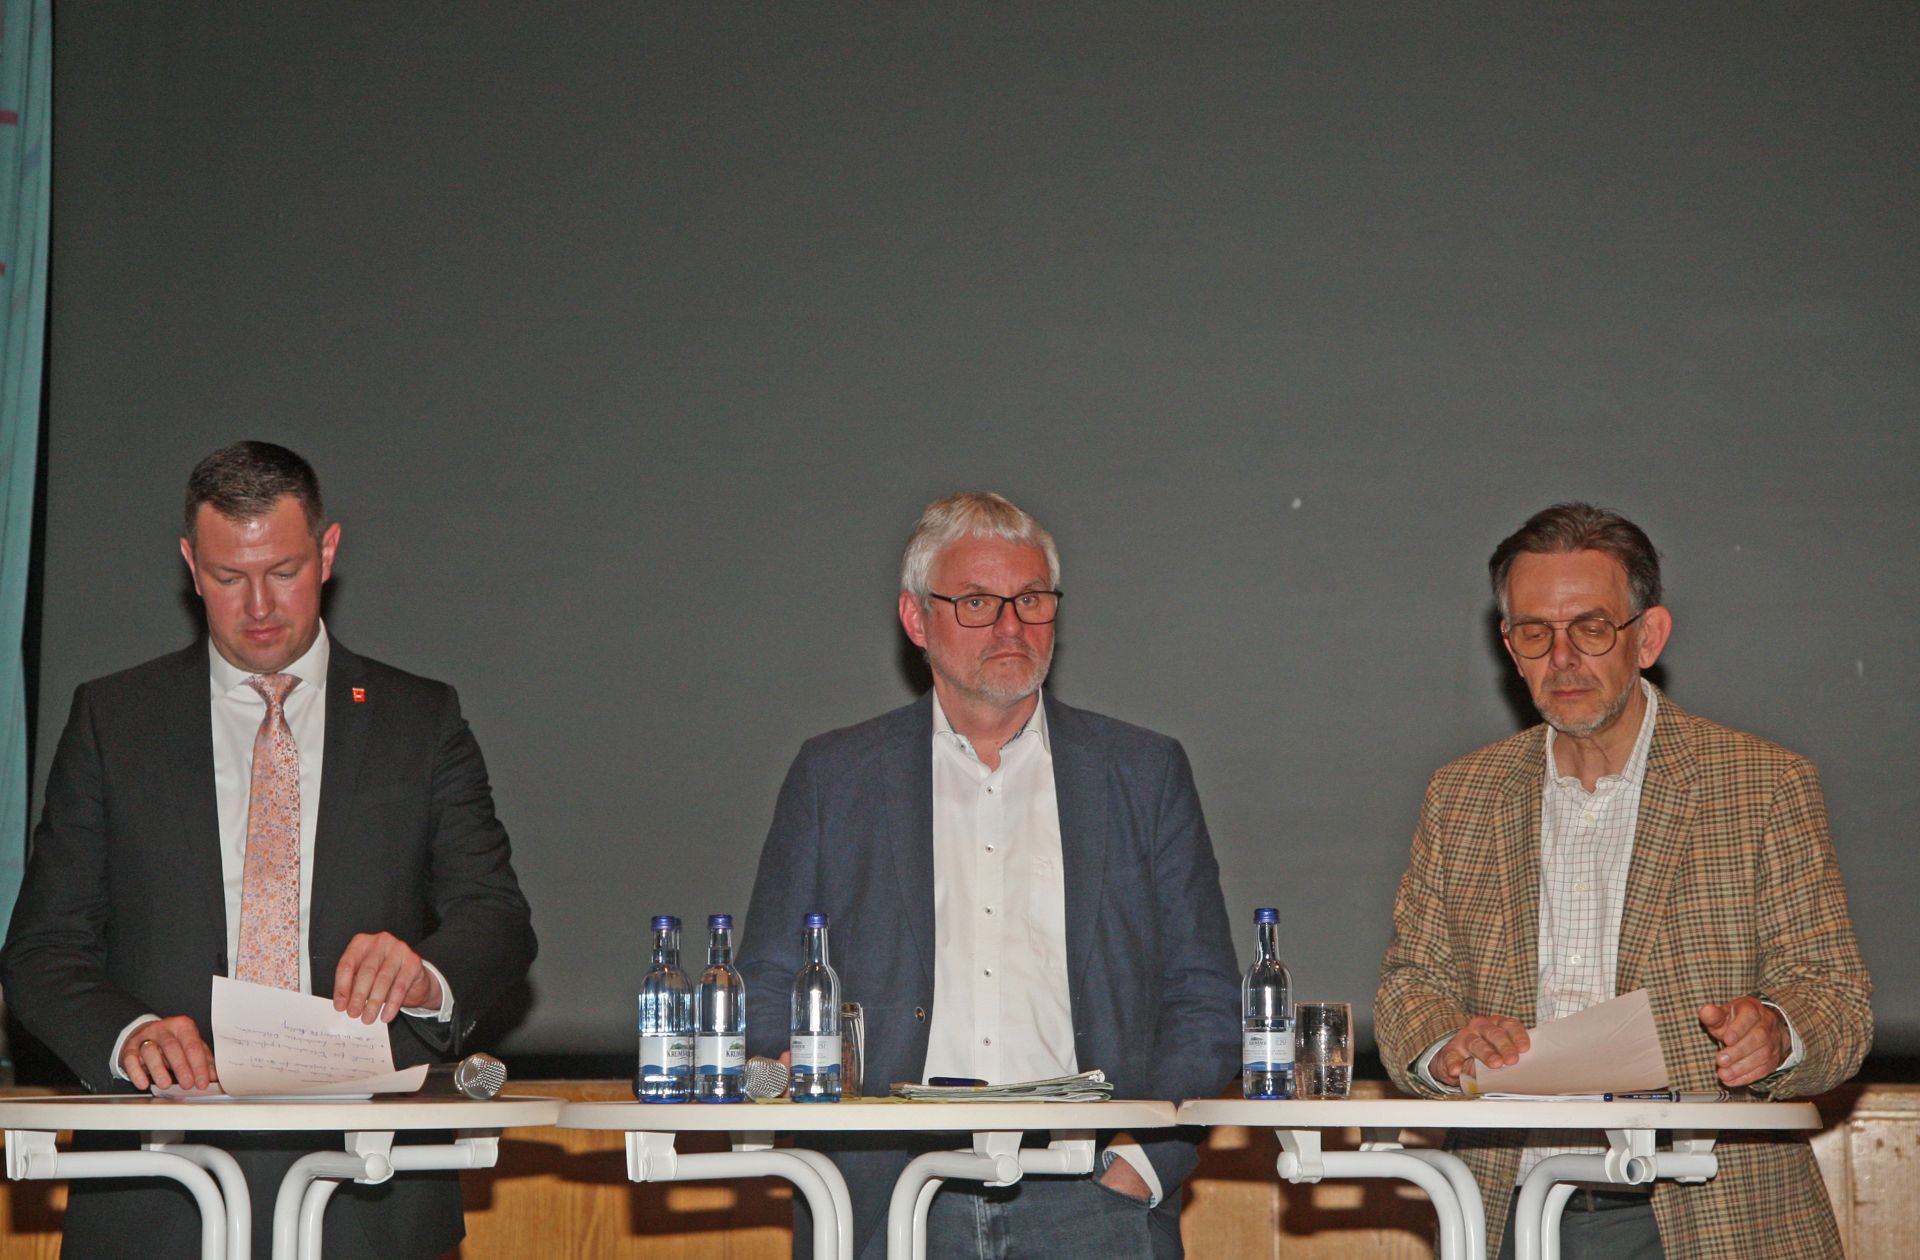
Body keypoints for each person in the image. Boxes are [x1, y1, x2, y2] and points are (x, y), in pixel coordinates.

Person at [1, 441, 537, 1260]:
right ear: (190, 565)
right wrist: (130, 1035)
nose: (258, 606)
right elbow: (41, 951)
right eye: (228, 578)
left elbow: (497, 918)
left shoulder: (418, 719)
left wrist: (425, 976)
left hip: (373, 1188)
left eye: (283, 572)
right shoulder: (115, 720)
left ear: (328, 551)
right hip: (154, 1186)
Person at [737, 491, 1240, 1260]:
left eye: (1031, 599)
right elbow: (769, 982)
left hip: (1091, 1193)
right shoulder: (836, 777)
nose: (1011, 626)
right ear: (917, 620)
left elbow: (1204, 994)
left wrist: (1143, 1162)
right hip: (885, 1193)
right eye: (977, 602)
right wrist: (783, 1068)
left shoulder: (1141, 773)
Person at [1376, 502, 1872, 1260]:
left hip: (1705, 1211)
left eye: (1592, 628)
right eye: (1536, 632)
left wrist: (1778, 1032)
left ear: (1649, 637)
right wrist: (1445, 1046)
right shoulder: (1462, 795)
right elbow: (1410, 987)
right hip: (1504, 1204)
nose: (1562, 658)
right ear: (1509, 646)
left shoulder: (1761, 784)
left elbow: (1837, 998)